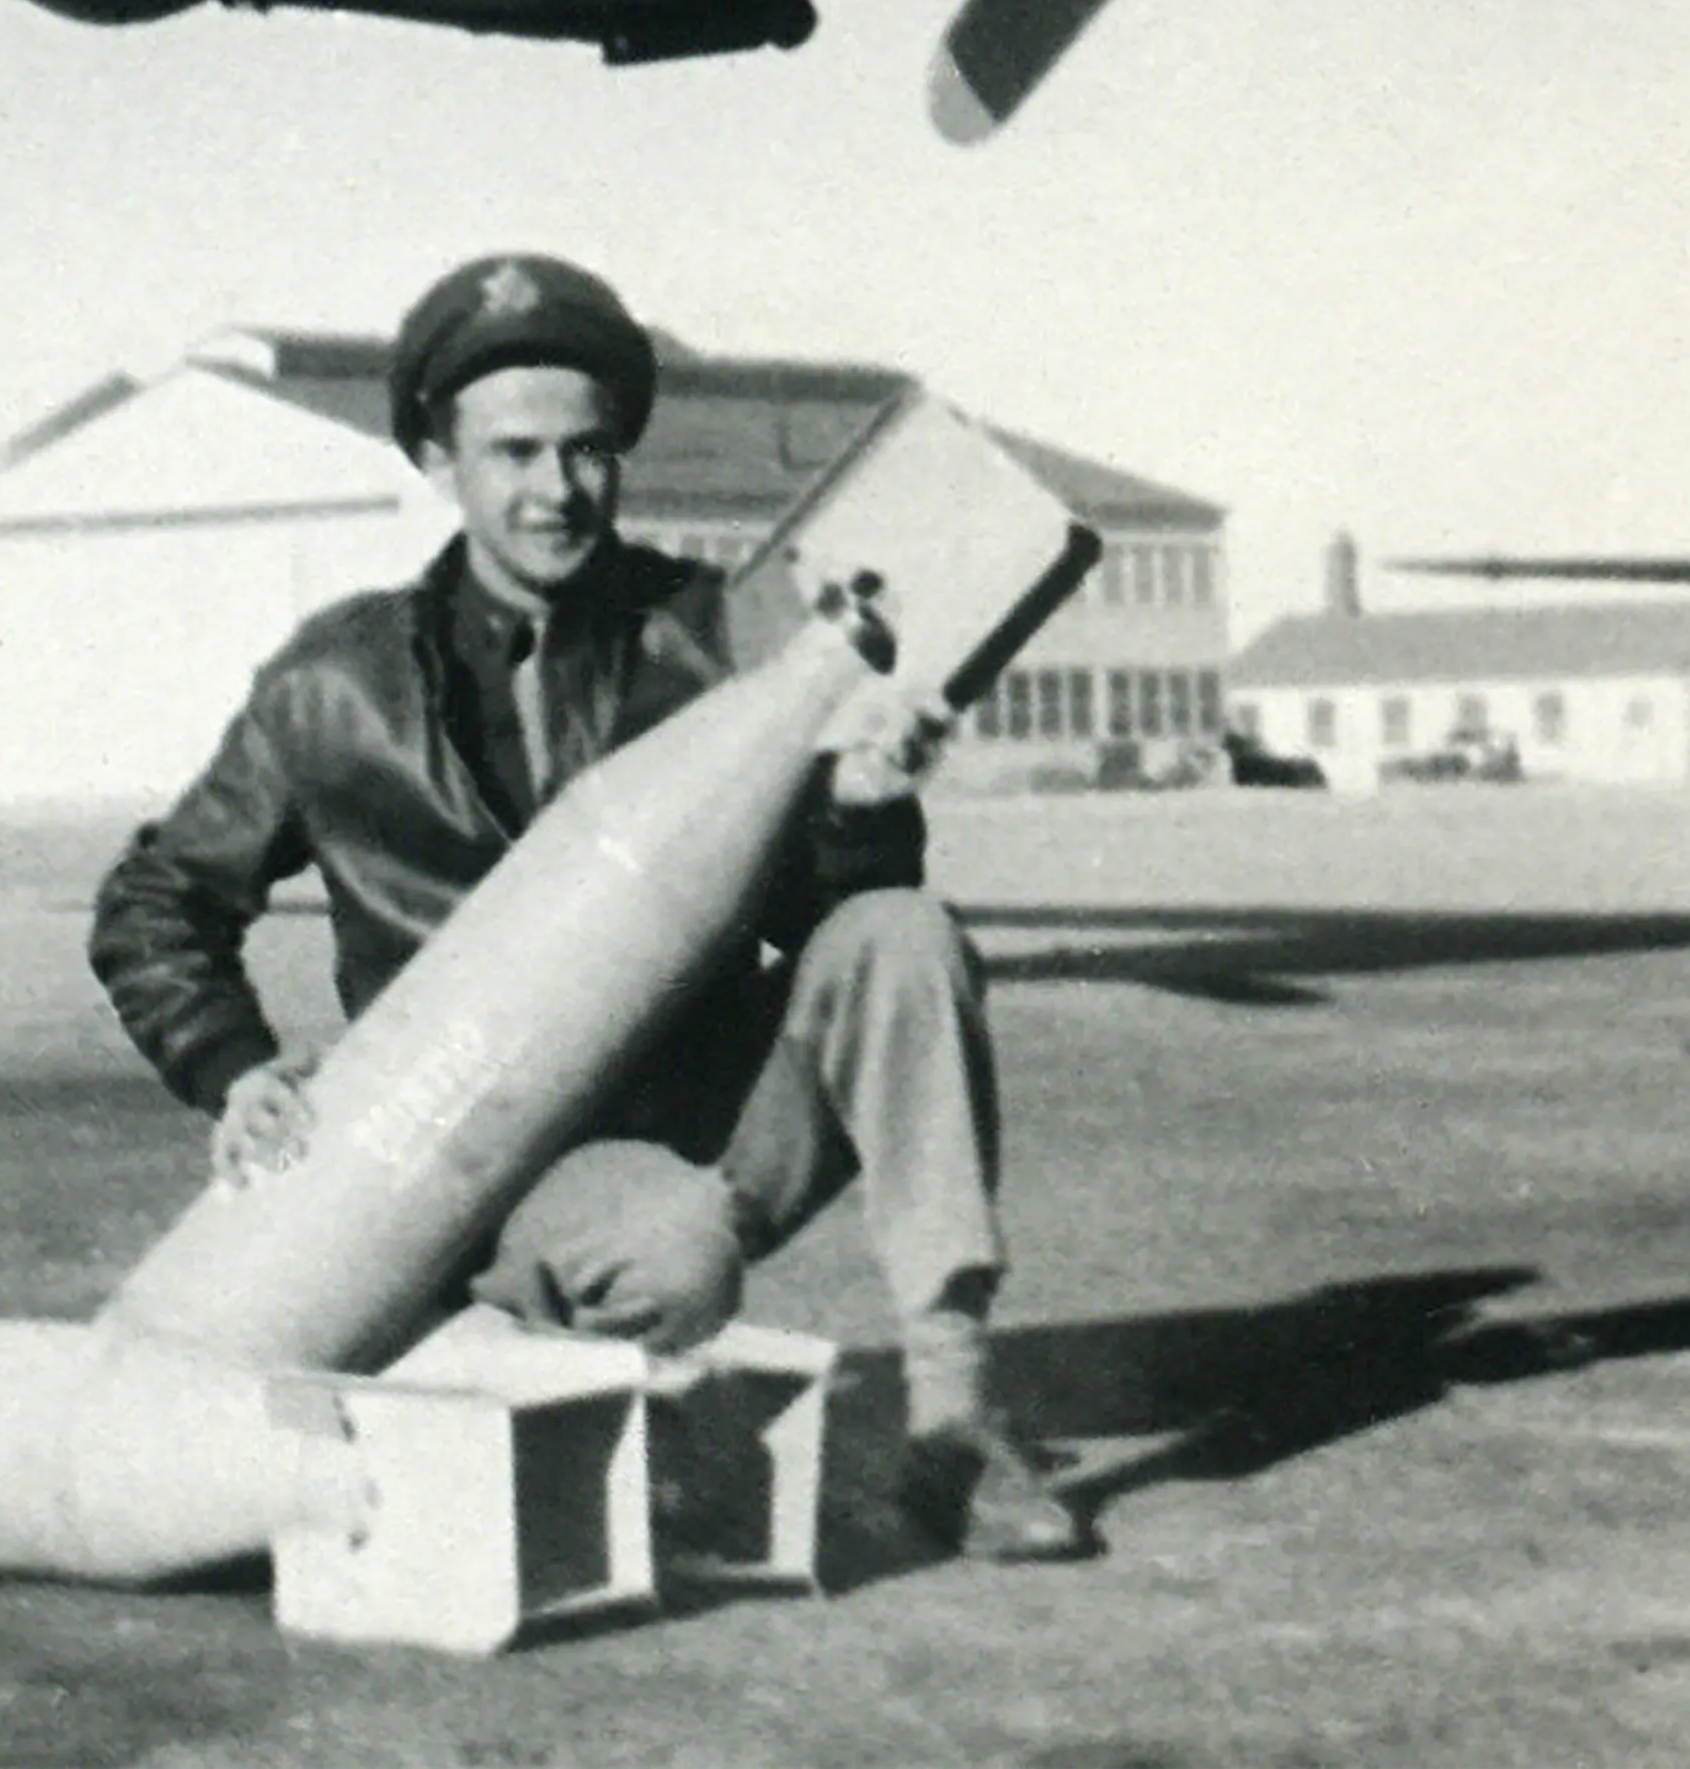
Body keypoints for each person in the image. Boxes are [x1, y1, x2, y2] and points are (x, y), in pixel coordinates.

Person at [87, 251, 1089, 1562]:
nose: (555, 491)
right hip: (468, 1158)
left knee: (904, 936)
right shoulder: (336, 684)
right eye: (512, 454)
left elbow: (829, 908)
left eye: (588, 451)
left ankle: (953, 1417)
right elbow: (156, 901)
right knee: (670, 1254)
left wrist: (859, 803)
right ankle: (498, 1375)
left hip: (699, 1111)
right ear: (440, 462)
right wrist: (231, 1067)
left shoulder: (717, 632)